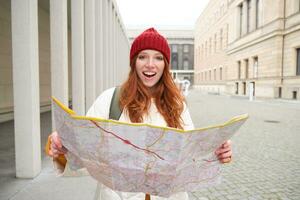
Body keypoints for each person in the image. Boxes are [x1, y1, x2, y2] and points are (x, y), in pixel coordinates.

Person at [47, 27, 232, 200]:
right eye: (143, 57)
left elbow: (190, 158)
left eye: (158, 58)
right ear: (134, 62)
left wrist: (214, 153)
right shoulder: (110, 99)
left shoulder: (178, 105)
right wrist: (64, 149)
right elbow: (86, 156)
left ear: (165, 64)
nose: (150, 65)